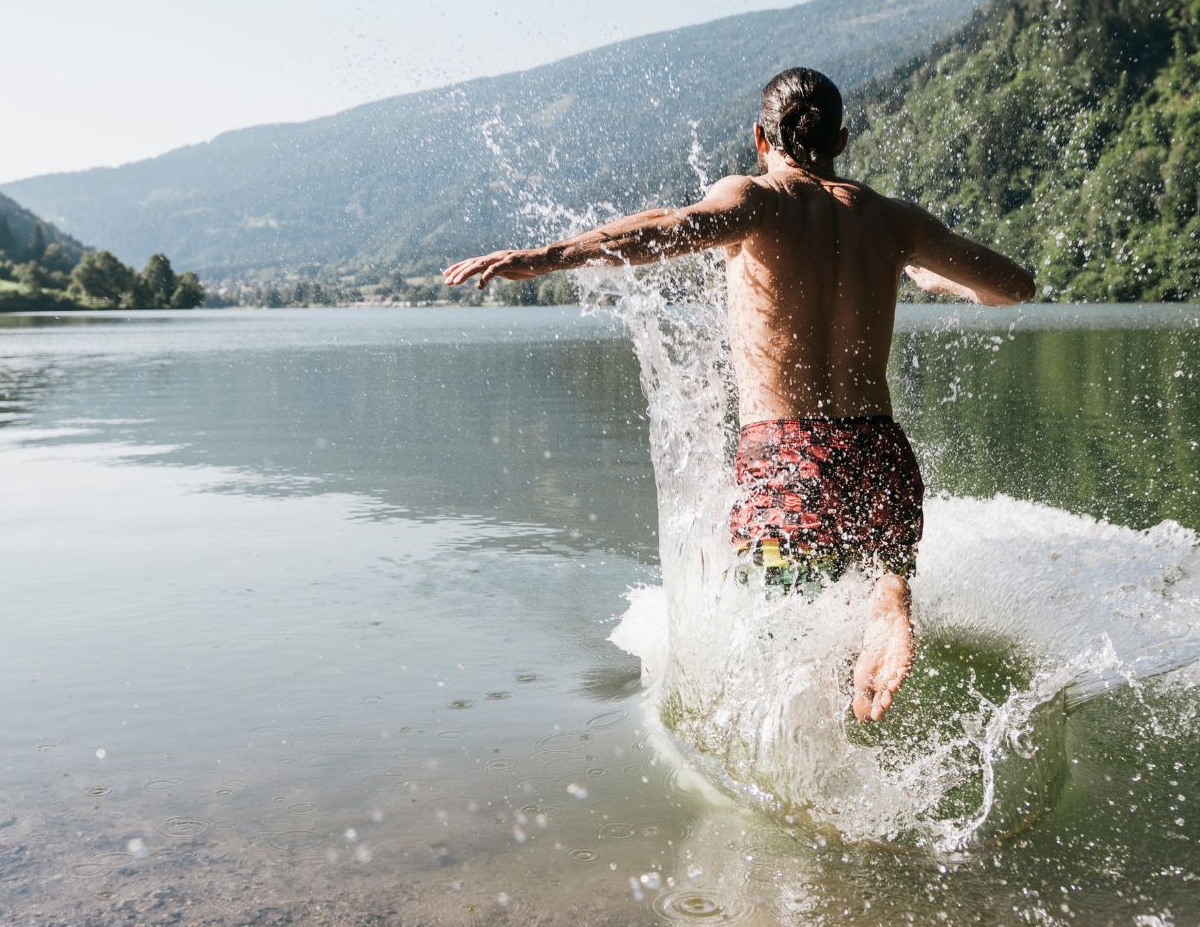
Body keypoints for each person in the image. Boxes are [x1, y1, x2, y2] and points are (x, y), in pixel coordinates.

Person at [443, 68, 1034, 723]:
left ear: (760, 137)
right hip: (879, 457)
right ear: (843, 139)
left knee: (782, 626)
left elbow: (664, 229)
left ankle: (814, 775)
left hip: (786, 463)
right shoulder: (894, 222)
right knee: (858, 599)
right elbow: (1013, 285)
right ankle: (890, 593)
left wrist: (548, 256)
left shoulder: (756, 200)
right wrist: (925, 272)